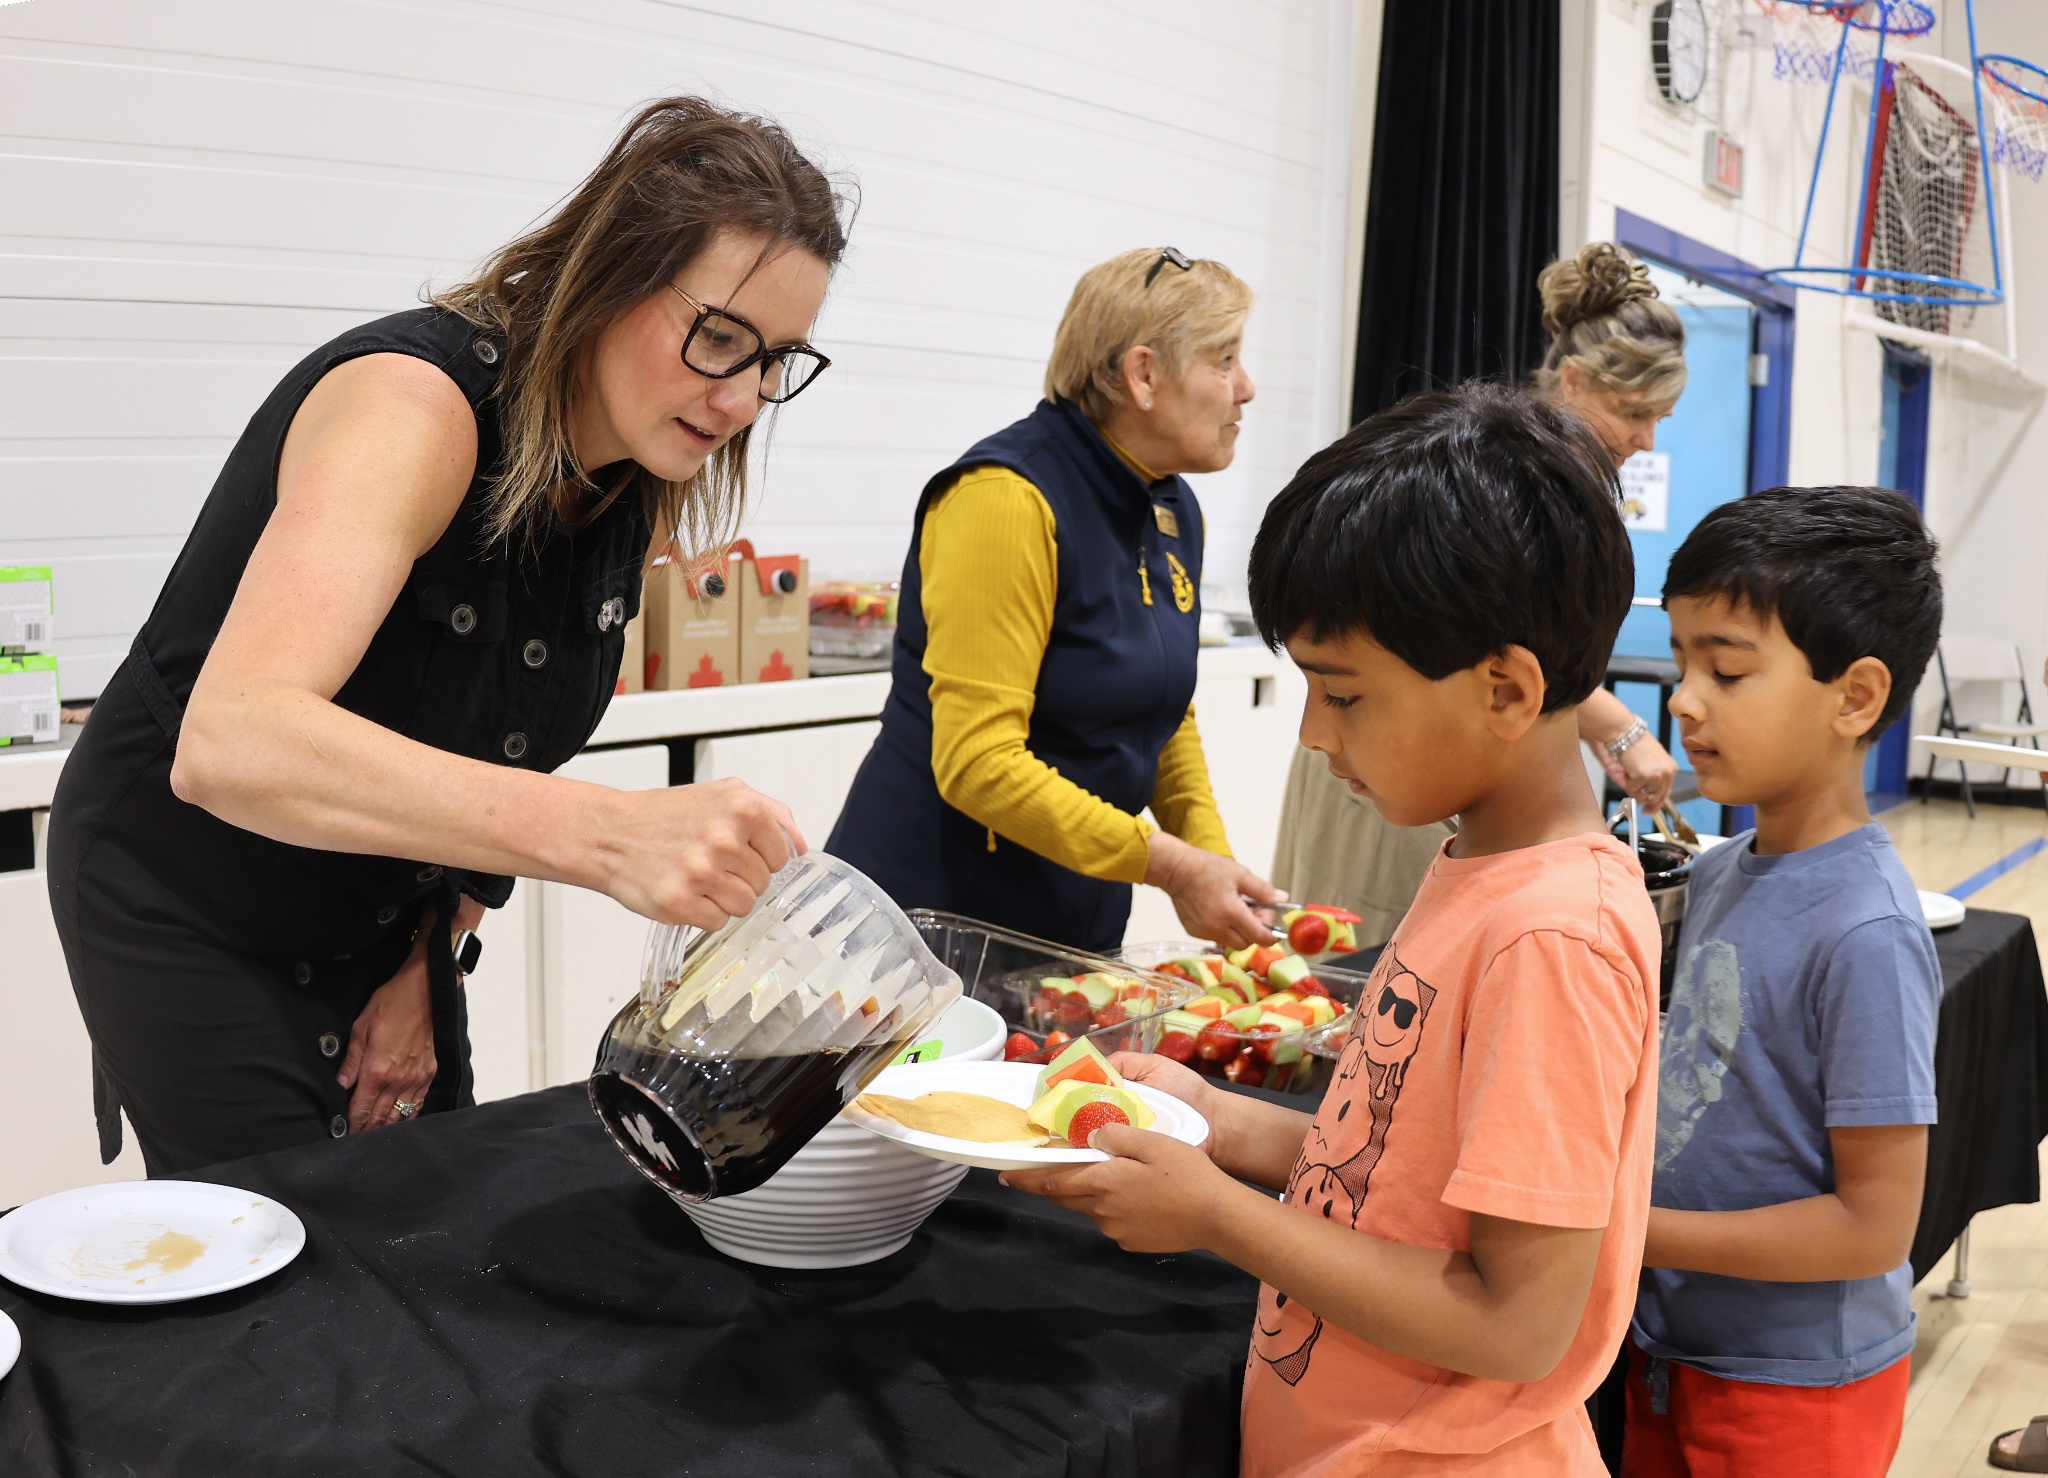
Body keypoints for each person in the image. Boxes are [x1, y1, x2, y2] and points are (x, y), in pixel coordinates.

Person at [46, 98, 848, 1174]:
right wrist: (611, 835)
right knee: (290, 1254)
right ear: (610, 276)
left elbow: (500, 744)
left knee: (432, 1207)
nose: (745, 396)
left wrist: (432, 955)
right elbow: (232, 740)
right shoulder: (414, 408)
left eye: (777, 361)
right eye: (718, 338)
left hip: (378, 906)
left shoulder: (628, 475)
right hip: (186, 892)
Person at [1007, 381, 1663, 1474]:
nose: (1314, 732)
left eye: (1344, 694)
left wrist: (1216, 1214)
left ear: (1505, 688)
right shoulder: (1479, 866)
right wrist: (1220, 1123)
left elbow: (1514, 1319)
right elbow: (1394, 1169)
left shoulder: (1553, 936)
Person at [828, 248, 1280, 953]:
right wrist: (1171, 865)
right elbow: (979, 764)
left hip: (1064, 922)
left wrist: (1214, 863)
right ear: (1144, 375)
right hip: (930, 928)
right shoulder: (1005, 498)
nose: (1246, 388)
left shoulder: (1171, 506)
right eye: (1224, 361)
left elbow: (1161, 716)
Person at [1626, 487, 1944, 1478]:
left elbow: (1871, 1223)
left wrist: (1627, 1231)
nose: (1681, 699)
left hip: (1794, 1386)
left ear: (1853, 696)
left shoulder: (1866, 930)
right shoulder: (1722, 868)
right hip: (1666, 1348)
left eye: (1723, 668)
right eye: (1680, 662)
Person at [1270, 240, 1682, 939]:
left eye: (1658, 420)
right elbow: (1465, 645)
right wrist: (1619, 724)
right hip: (1396, 761)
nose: (1644, 439)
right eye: (1635, 411)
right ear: (1575, 383)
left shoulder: (1563, 489)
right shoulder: (1485, 485)